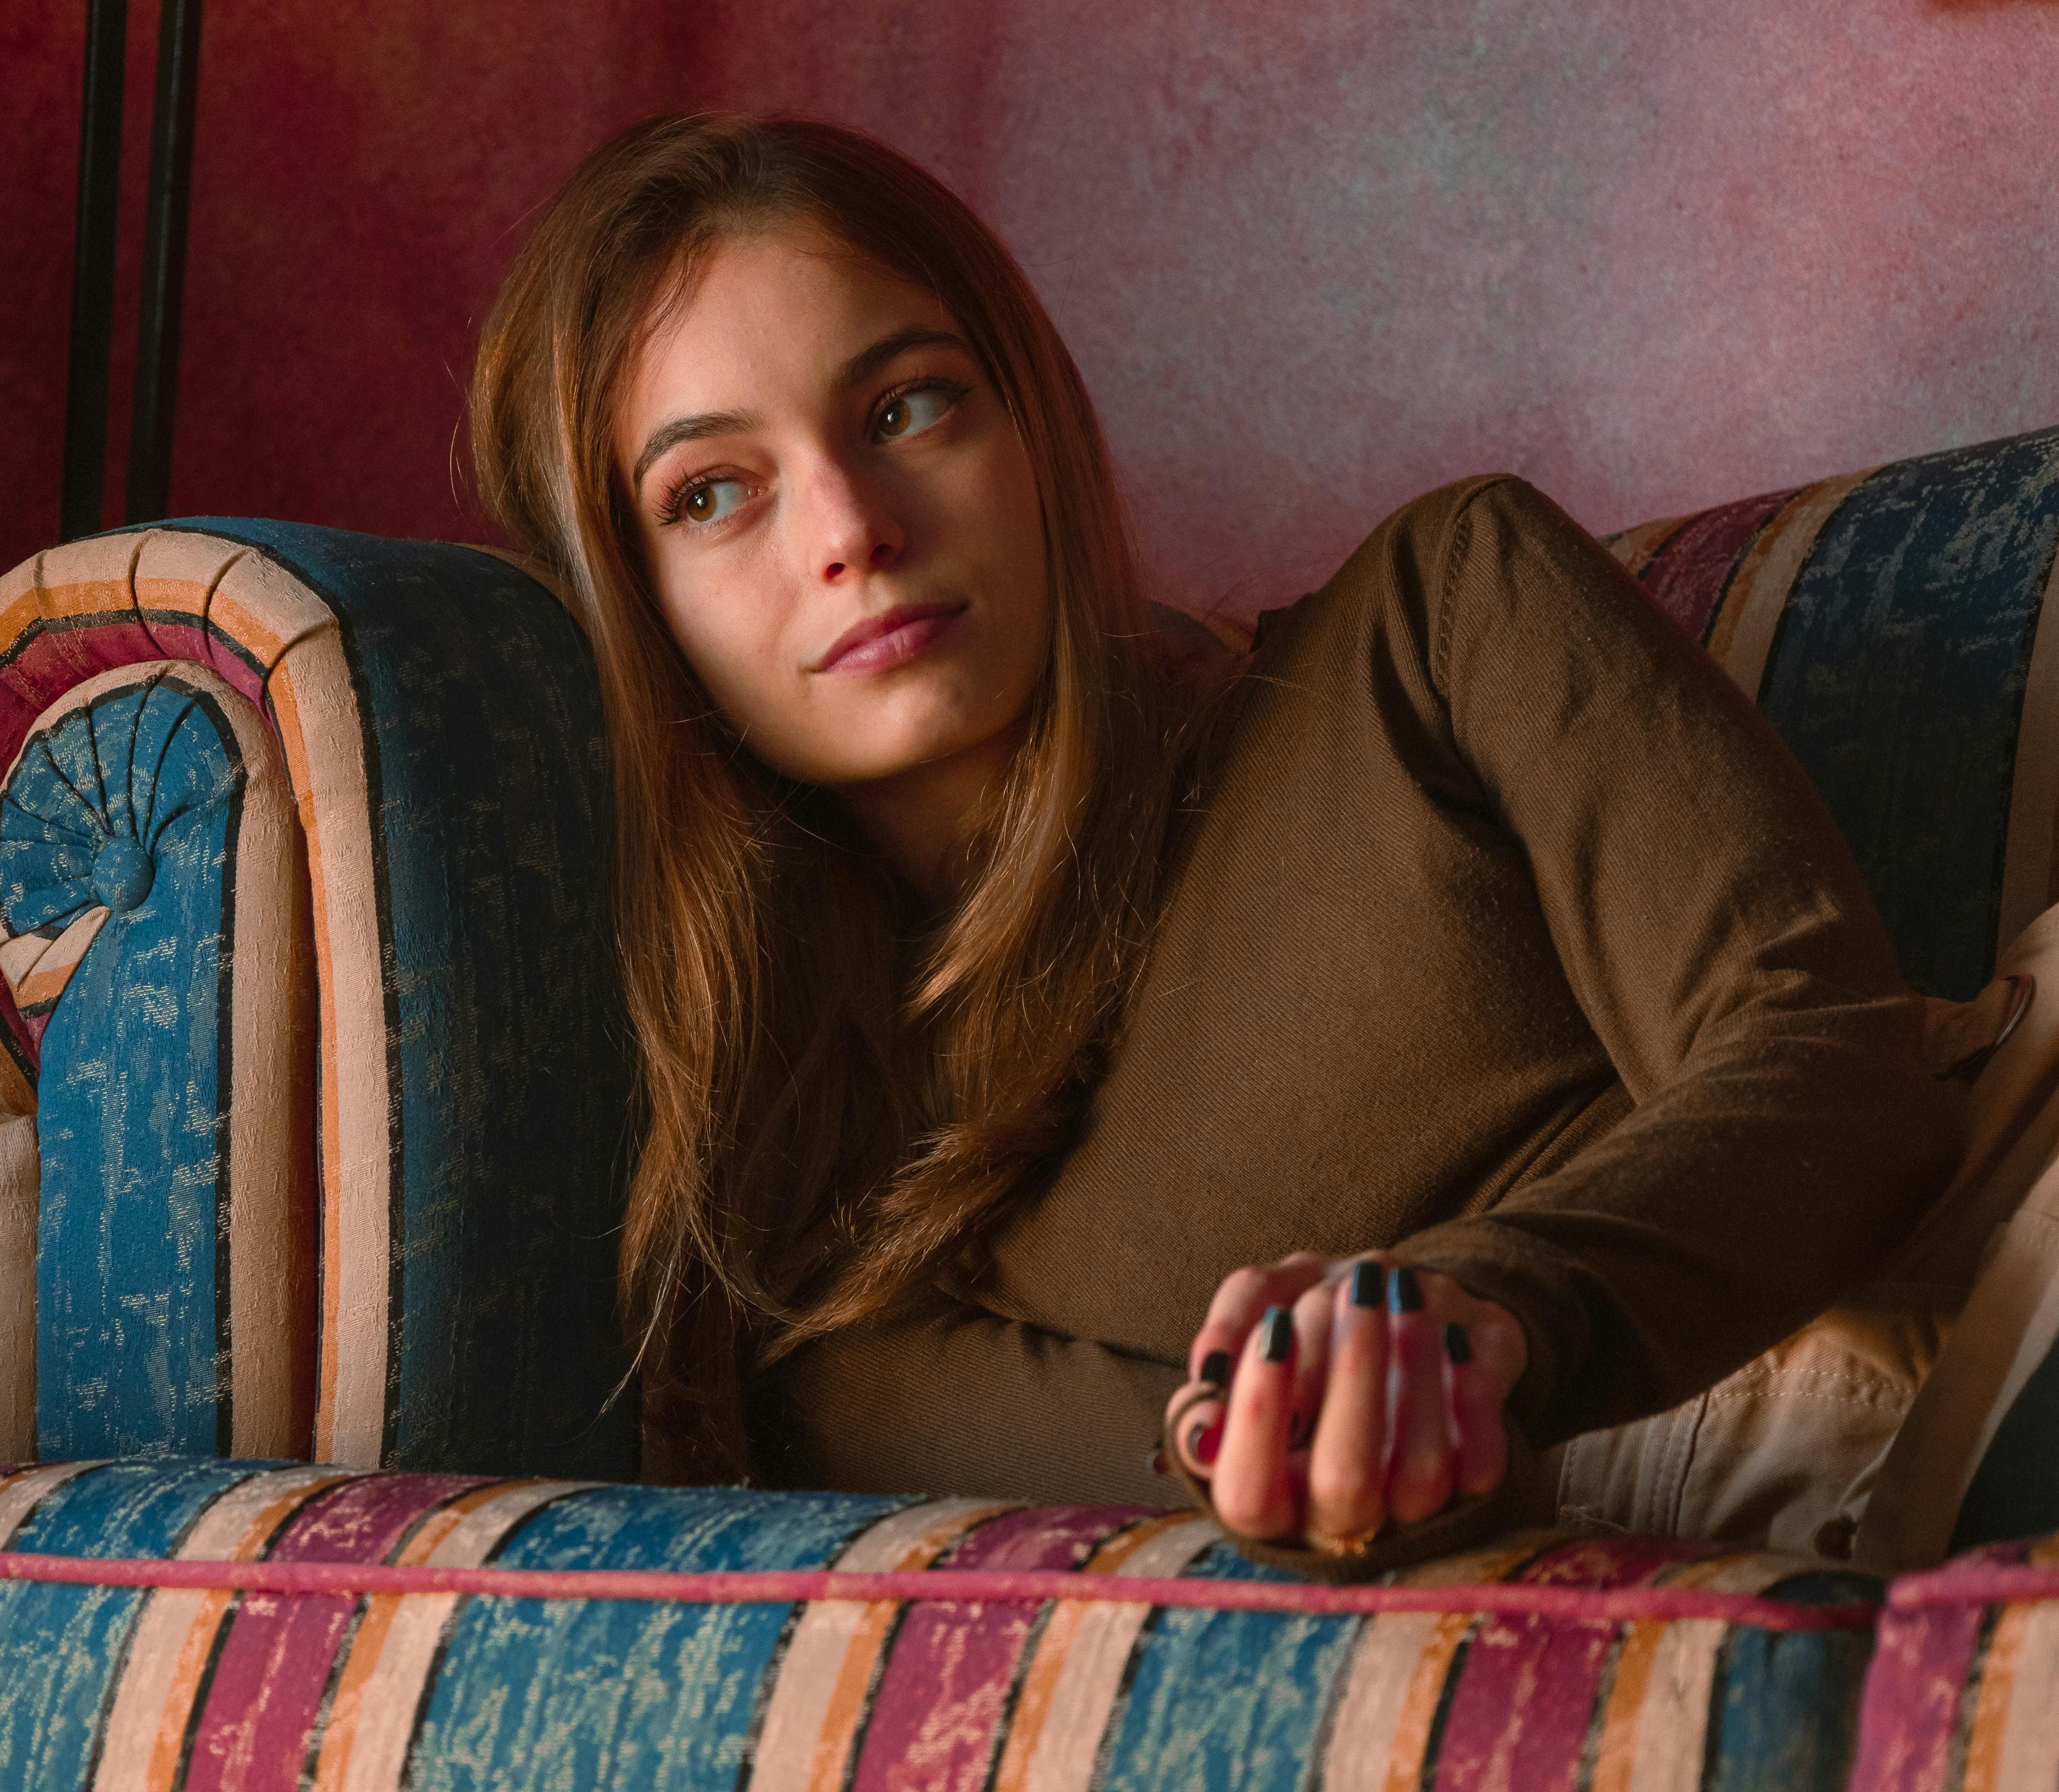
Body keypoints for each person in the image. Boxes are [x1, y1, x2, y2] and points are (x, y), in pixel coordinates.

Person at [466, 111, 1961, 1570]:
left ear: (1033, 423)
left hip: (2000, 1315)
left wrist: (1486, 1312)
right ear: (631, 610)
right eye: (711, 495)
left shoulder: (1438, 618)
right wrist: (1372, 1420)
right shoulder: (839, 1307)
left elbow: (1837, 1065)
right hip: (1653, 1592)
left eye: (907, 408)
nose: (849, 528)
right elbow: (1301, 1510)